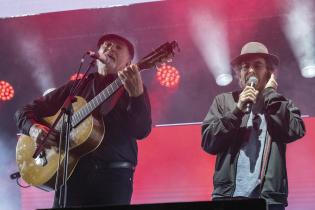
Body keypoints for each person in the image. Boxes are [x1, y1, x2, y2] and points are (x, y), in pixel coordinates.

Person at [15, 34, 152, 207]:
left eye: (118, 47)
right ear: (97, 53)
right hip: (71, 176)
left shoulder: (132, 88)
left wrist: (137, 95)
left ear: (128, 63)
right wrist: (34, 130)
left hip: (112, 178)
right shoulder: (76, 87)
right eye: (106, 45)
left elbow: (141, 130)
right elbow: (24, 111)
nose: (110, 48)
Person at [201, 42, 305, 210]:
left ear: (269, 72)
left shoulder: (281, 104)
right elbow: (208, 143)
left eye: (257, 65)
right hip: (228, 198)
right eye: (244, 67)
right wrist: (237, 111)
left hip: (269, 201)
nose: (250, 71)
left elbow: (294, 131)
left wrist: (271, 94)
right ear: (238, 73)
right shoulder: (224, 102)